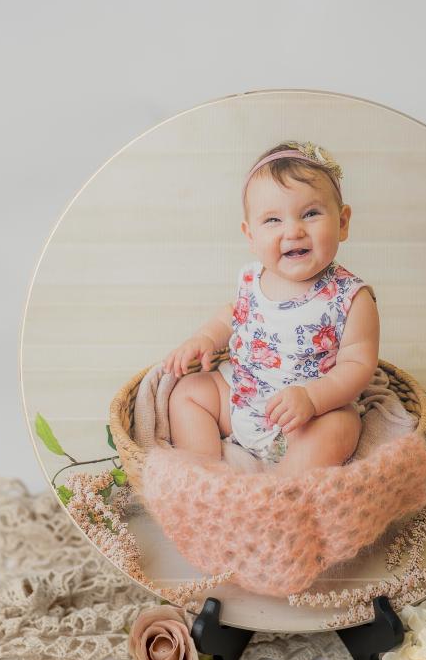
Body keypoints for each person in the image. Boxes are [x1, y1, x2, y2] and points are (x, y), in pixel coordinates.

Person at [162, 141, 380, 471]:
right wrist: (204, 338)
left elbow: (358, 365)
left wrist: (313, 398)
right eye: (273, 220)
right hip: (241, 401)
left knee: (341, 426)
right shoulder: (251, 278)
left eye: (310, 214)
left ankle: (281, 489)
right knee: (188, 392)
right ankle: (206, 475)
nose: (293, 231)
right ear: (250, 236)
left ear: (342, 222)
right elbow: (232, 316)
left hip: (307, 418)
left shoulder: (351, 297)